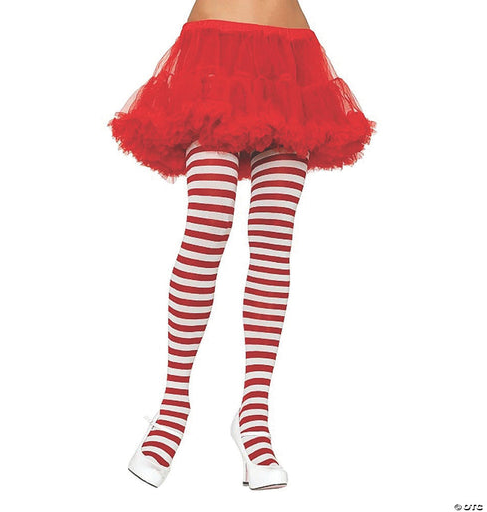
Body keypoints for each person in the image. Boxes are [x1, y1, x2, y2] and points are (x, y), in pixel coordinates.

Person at [107, 0, 376, 490]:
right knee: (208, 225)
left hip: (290, 60)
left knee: (274, 239)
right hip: (214, 55)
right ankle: (172, 406)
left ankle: (253, 414)